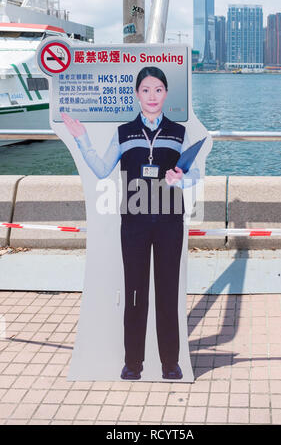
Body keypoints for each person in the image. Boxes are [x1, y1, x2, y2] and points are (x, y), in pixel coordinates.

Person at [62, 66, 200, 381]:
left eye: (159, 90)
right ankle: (132, 364)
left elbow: (195, 177)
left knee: (167, 292)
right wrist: (82, 140)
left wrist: (182, 179)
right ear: (137, 94)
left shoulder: (179, 133)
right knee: (135, 292)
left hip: (169, 222)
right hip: (134, 224)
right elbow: (100, 169)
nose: (152, 96)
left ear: (166, 94)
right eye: (146, 90)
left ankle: (170, 364)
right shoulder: (124, 132)